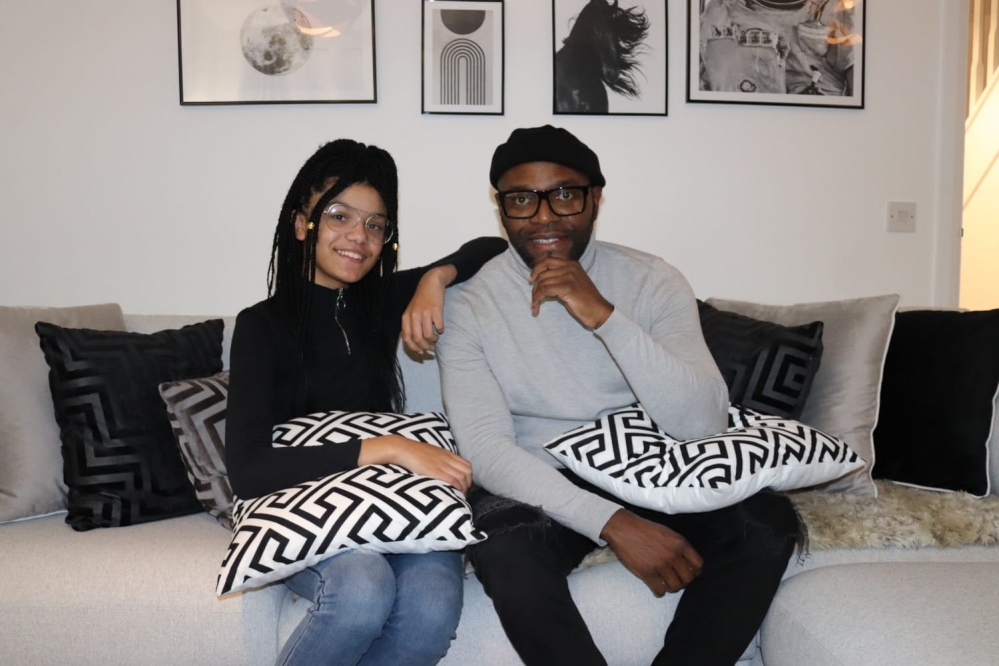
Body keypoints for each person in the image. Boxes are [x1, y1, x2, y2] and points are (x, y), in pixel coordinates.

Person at [436, 125, 801, 666]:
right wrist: (612, 522)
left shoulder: (653, 280)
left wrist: (604, 316)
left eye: (564, 194)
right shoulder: (467, 304)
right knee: (504, 547)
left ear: (595, 199)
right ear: (501, 208)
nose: (543, 217)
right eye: (522, 199)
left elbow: (702, 423)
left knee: (767, 522)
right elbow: (488, 451)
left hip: (649, 466)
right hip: (542, 480)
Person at [225, 139, 507, 666]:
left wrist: (434, 279)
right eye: (339, 216)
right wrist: (389, 447)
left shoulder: (382, 303)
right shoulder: (260, 326)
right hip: (301, 502)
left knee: (432, 606)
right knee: (361, 589)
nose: (359, 236)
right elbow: (246, 470)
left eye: (375, 225)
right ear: (302, 224)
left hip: (388, 497)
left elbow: (492, 248)